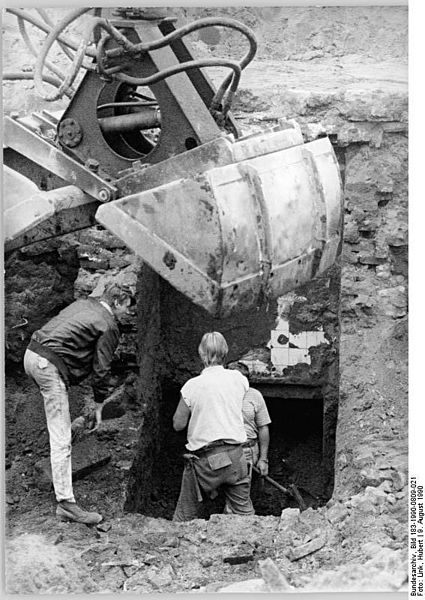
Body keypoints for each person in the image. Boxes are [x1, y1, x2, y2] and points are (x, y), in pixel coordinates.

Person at [23, 282, 135, 524]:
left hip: (32, 355)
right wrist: (98, 406)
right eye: (126, 307)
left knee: (59, 418)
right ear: (116, 303)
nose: (128, 313)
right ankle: (66, 504)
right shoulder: (108, 325)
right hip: (49, 366)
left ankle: (72, 430)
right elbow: (101, 369)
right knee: (60, 438)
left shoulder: (85, 304)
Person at [172, 332, 255, 521]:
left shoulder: (191, 386)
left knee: (185, 516)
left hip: (206, 462)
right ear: (225, 352)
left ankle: (175, 545)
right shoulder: (239, 379)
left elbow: (178, 424)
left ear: (202, 354)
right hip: (235, 456)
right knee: (246, 515)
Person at [227, 362, 271, 483]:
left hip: (248, 451)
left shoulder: (254, 395)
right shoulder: (220, 396)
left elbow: (263, 427)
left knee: (243, 492)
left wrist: (263, 459)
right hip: (225, 450)